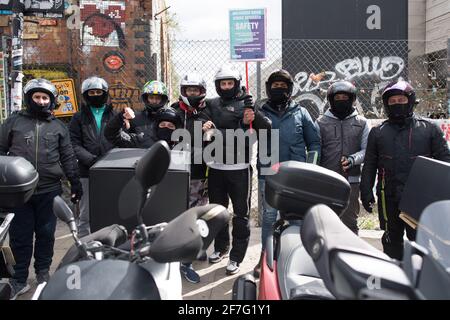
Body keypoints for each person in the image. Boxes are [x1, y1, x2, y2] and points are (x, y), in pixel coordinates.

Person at [0, 78, 82, 299]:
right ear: (29, 99)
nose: (41, 101)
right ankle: (18, 279)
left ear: (51, 101)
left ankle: (43, 273)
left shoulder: (58, 127)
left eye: (45, 98)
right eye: (36, 97)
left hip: (49, 190)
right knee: (20, 236)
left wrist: (75, 182)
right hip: (19, 194)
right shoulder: (13, 122)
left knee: (46, 234)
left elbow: (68, 157)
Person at [360, 79, 450, 260]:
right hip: (388, 196)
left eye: (401, 100)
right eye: (392, 102)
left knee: (419, 241)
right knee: (391, 239)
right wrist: (366, 190)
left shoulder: (428, 129)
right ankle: (395, 278)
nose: (397, 104)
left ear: (410, 101)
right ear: (386, 104)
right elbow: (370, 164)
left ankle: (419, 280)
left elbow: (445, 161)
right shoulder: (378, 132)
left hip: (420, 197)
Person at [254, 69, 321, 277]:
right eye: (275, 86)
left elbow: (315, 143)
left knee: (296, 220)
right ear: (268, 89)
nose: (279, 89)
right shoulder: (260, 112)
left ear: (290, 89)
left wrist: (309, 169)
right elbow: (244, 136)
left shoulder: (301, 112)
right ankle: (265, 259)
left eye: (283, 86)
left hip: (296, 177)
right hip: (269, 174)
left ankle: (296, 259)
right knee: (269, 217)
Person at [206, 65, 272, 275]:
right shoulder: (211, 104)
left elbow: (266, 128)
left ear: (236, 84)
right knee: (217, 212)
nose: (226, 87)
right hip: (215, 167)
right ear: (217, 86)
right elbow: (201, 127)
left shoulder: (246, 103)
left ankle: (236, 256)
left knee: (241, 214)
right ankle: (221, 247)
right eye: (222, 84)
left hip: (239, 169)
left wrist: (253, 115)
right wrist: (240, 127)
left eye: (230, 83)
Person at [171, 72, 211, 283]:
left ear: (202, 91)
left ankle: (189, 257)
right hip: (175, 174)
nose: (192, 93)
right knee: (177, 216)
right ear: (183, 91)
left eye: (196, 90)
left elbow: (214, 143)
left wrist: (208, 132)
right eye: (189, 90)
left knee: (197, 216)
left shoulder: (208, 112)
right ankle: (176, 256)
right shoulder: (173, 110)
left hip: (198, 172)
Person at [317, 80, 370, 234]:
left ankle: (351, 254)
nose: (341, 100)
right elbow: (315, 150)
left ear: (352, 99)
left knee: (350, 223)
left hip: (351, 181)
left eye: (344, 97)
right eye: (337, 97)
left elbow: (367, 151)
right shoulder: (320, 123)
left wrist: (353, 159)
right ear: (331, 100)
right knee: (326, 223)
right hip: (327, 180)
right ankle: (327, 256)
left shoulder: (362, 123)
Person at [69, 76, 115, 237]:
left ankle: (109, 244)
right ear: (85, 94)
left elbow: (121, 140)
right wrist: (91, 160)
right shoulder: (78, 117)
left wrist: (108, 161)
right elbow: (74, 143)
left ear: (105, 93)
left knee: (110, 209)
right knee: (86, 213)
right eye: (91, 92)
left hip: (110, 170)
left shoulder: (114, 116)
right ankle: (84, 247)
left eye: (99, 92)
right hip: (87, 171)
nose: (95, 95)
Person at [104, 80, 169, 148]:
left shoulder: (170, 118)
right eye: (151, 97)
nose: (154, 101)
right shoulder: (135, 118)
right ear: (146, 98)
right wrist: (121, 117)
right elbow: (116, 137)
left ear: (163, 99)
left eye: (158, 98)